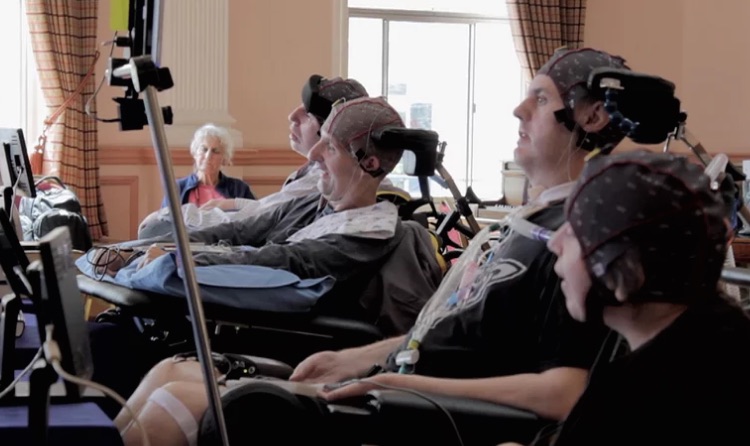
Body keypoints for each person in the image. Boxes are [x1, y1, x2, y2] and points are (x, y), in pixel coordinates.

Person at [113, 47, 633, 446]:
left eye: (540, 99)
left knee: (173, 405)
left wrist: (394, 383)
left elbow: (565, 392)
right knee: (169, 371)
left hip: (424, 408)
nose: (518, 109)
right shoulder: (514, 228)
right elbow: (440, 333)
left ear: (591, 118)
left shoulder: (576, 236)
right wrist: (357, 357)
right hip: (392, 377)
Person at [500, 150, 750, 446]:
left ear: (630, 267)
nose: (555, 242)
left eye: (576, 231)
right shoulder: (724, 337)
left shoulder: (636, 400)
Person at [136, 75, 372, 239]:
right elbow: (267, 212)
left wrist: (176, 217)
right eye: (203, 149)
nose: (292, 116)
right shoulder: (313, 172)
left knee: (155, 230)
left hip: (248, 251)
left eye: (307, 115)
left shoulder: (325, 179)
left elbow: (258, 222)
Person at [165, 123, 254, 208]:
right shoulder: (177, 188)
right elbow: (164, 218)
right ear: (195, 153)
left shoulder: (239, 188)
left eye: (215, 151)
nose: (208, 156)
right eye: (204, 149)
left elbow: (257, 213)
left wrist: (230, 204)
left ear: (224, 159)